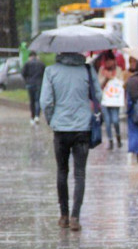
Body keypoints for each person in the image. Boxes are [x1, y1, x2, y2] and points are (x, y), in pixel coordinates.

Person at [39, 52, 102, 232]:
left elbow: (45, 101)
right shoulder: (87, 70)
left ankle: (64, 215)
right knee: (80, 173)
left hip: (61, 129)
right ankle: (75, 216)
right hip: (83, 128)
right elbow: (98, 95)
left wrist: (52, 120)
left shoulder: (51, 71)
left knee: (62, 171)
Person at [99, 54, 124, 149]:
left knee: (115, 120)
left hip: (115, 100)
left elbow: (121, 83)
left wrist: (112, 77)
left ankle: (118, 136)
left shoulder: (118, 70)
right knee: (107, 122)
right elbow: (99, 84)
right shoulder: (102, 70)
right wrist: (106, 78)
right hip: (105, 100)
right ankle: (110, 140)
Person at [21, 50, 46, 125]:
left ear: (30, 57)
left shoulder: (27, 64)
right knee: (38, 100)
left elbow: (23, 73)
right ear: (36, 56)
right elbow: (45, 74)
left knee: (32, 101)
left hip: (30, 84)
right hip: (39, 84)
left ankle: (32, 116)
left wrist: (27, 80)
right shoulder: (41, 64)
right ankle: (37, 116)